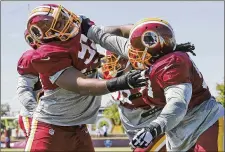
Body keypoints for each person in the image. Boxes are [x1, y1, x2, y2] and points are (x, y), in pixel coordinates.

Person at [83, 17, 224, 152]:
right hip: (176, 131)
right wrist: (88, 28)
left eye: (135, 52)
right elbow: (109, 39)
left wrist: (153, 128)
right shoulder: (148, 59)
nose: (131, 55)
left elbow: (177, 104)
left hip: (203, 122)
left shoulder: (172, 64)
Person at [24, 4, 147, 152]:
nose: (67, 22)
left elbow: (120, 31)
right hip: (51, 126)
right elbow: (81, 85)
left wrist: (147, 34)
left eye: (64, 17)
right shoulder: (48, 54)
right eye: (59, 23)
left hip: (80, 127)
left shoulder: (81, 29)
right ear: (46, 35)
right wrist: (121, 82)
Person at [100, 50, 167, 152]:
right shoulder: (107, 77)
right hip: (132, 123)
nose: (109, 65)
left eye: (113, 60)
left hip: (153, 119)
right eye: (108, 61)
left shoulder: (147, 72)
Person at [17, 29, 42, 140]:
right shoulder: (32, 58)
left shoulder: (59, 55)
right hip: (33, 115)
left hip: (53, 114)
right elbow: (23, 91)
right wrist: (37, 112)